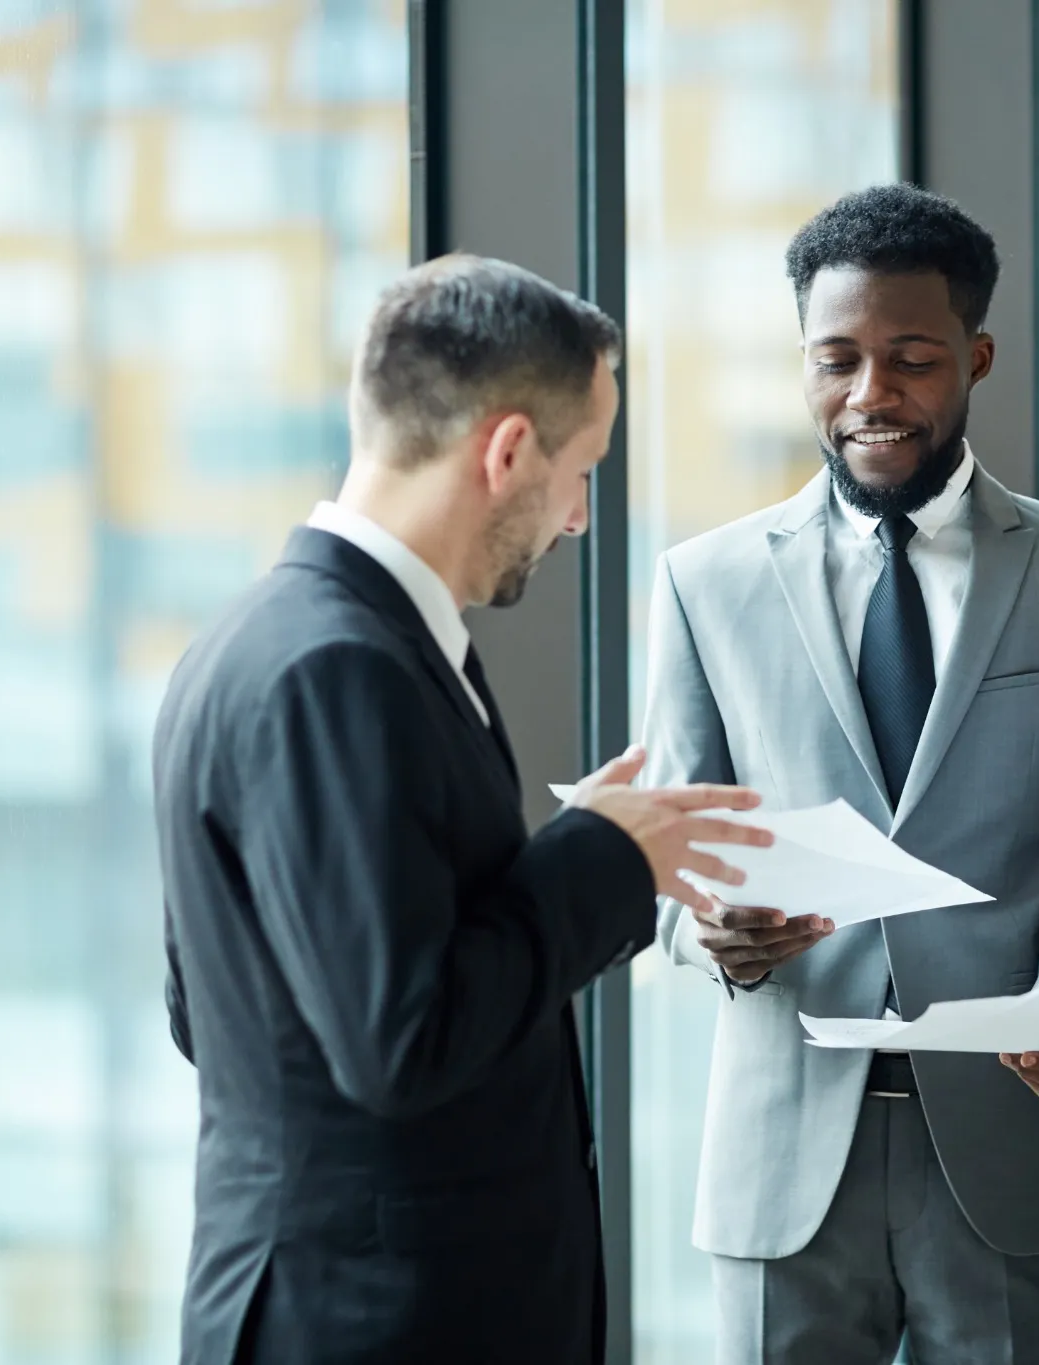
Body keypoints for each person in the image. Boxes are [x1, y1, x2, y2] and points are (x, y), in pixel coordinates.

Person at [153, 255, 772, 1365]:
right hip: (374, 1324)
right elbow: (400, 1041)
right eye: (583, 471)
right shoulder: (338, 669)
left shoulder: (262, 640)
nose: (578, 519)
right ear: (507, 451)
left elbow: (210, 1012)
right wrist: (600, 860)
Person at [642, 182, 1039, 1363]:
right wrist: (708, 928)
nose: (869, 395)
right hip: (781, 1160)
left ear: (975, 358)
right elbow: (669, 857)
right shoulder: (703, 584)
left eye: (911, 360)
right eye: (835, 360)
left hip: (1011, 1146)